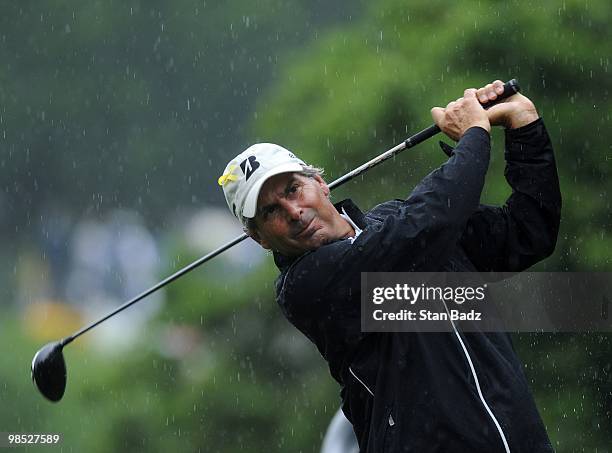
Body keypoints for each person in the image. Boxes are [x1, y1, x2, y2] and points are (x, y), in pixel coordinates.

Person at [218, 80, 561, 452]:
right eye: (270, 212)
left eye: (292, 190)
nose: (294, 212)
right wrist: (473, 136)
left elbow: (528, 231)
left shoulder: (397, 223)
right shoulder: (308, 286)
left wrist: (524, 126)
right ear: (260, 238)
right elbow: (423, 228)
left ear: (320, 183)